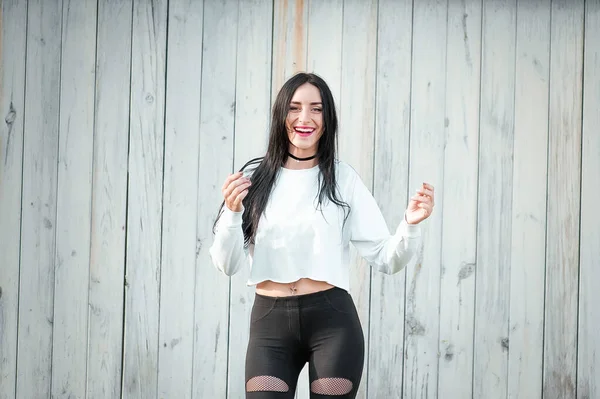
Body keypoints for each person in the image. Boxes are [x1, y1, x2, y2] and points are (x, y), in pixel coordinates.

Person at [209, 72, 434, 399]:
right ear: (280, 115)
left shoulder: (343, 179)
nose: (304, 118)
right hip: (270, 327)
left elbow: (388, 259)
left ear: (327, 119)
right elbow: (226, 264)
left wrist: (410, 224)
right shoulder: (252, 178)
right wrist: (232, 212)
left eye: (316, 109)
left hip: (332, 324)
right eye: (294, 107)